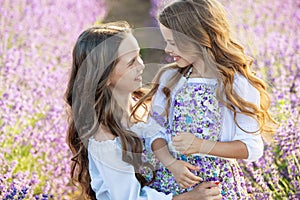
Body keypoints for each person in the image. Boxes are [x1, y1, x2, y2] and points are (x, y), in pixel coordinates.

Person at [132, 0, 277, 199]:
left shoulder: (235, 84)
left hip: (217, 187)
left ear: (198, 38)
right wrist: (171, 163)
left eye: (173, 43)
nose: (166, 49)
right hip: (172, 182)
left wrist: (202, 146)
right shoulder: (170, 79)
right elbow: (154, 131)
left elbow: (251, 148)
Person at [65, 21, 222, 200]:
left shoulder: (143, 105)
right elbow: (128, 198)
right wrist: (191, 197)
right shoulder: (103, 136)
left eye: (139, 55)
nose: (141, 65)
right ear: (104, 76)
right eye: (131, 62)